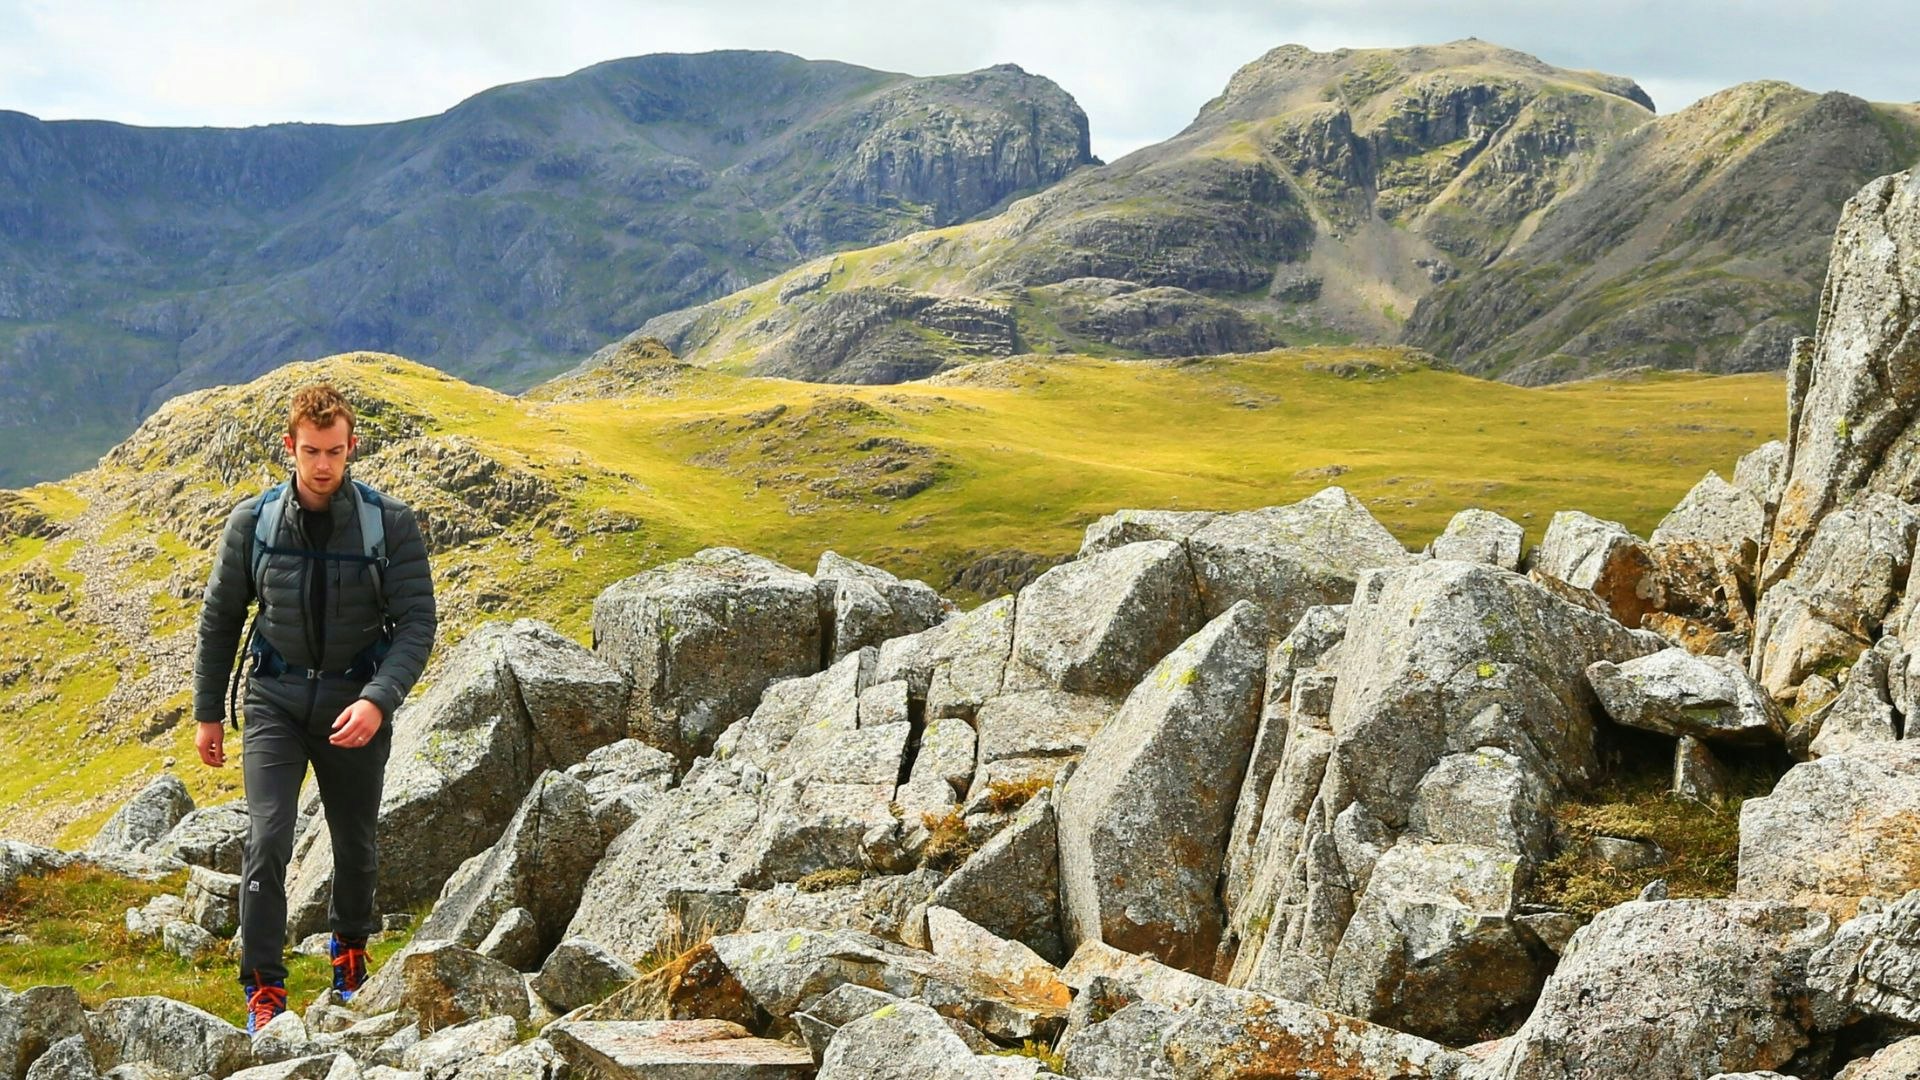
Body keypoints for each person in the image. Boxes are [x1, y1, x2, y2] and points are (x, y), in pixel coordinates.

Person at [191, 383, 436, 1033]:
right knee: (267, 838)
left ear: (351, 447)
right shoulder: (254, 523)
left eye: (334, 451)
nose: (323, 465)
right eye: (310, 451)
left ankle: (350, 951)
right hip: (273, 699)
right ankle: (265, 989)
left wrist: (378, 701)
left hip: (354, 700)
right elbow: (220, 620)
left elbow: (417, 624)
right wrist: (208, 712)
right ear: (289, 448)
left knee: (353, 841)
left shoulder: (392, 524)